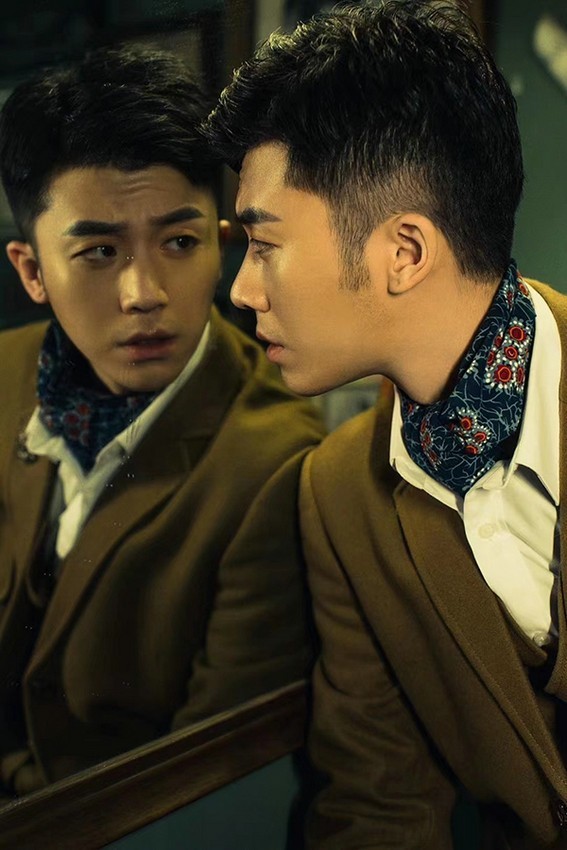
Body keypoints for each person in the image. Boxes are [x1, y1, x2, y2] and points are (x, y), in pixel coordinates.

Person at [203, 1, 567, 847]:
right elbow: (379, 799)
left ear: (403, 253)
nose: (242, 291)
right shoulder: (336, 494)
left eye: (264, 245)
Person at [0, 43, 325, 799]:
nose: (144, 292)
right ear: (32, 271)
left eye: (179, 242)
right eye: (99, 251)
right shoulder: (7, 375)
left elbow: (203, 787)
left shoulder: (275, 467)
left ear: (220, 244)